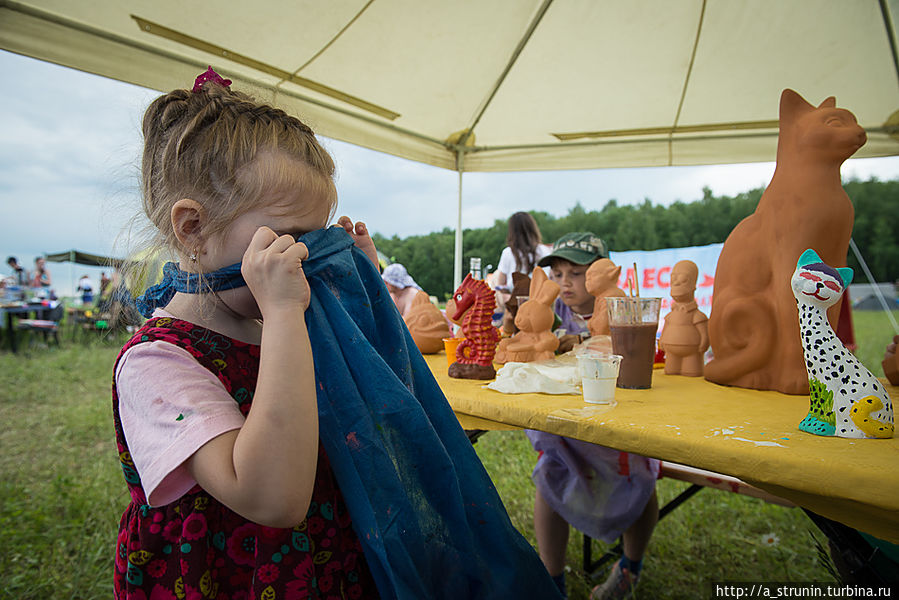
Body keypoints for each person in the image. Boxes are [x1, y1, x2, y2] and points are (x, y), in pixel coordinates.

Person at [113, 67, 561, 600]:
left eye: (322, 237)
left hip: (327, 568)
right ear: (193, 229)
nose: (314, 257)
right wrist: (283, 316)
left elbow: (378, 400)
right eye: (293, 239)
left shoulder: (292, 314)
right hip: (232, 580)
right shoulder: (158, 364)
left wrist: (360, 301)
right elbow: (272, 497)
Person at [530, 232, 660, 600]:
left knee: (640, 469)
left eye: (575, 273)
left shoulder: (625, 312)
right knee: (550, 471)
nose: (564, 283)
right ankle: (551, 577)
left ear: (604, 273)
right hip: (568, 426)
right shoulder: (555, 313)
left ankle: (629, 567)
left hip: (618, 425)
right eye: (558, 274)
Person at [494, 211, 551, 290]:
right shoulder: (545, 250)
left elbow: (500, 284)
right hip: (540, 296)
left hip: (514, 297)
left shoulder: (508, 252)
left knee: (496, 277)